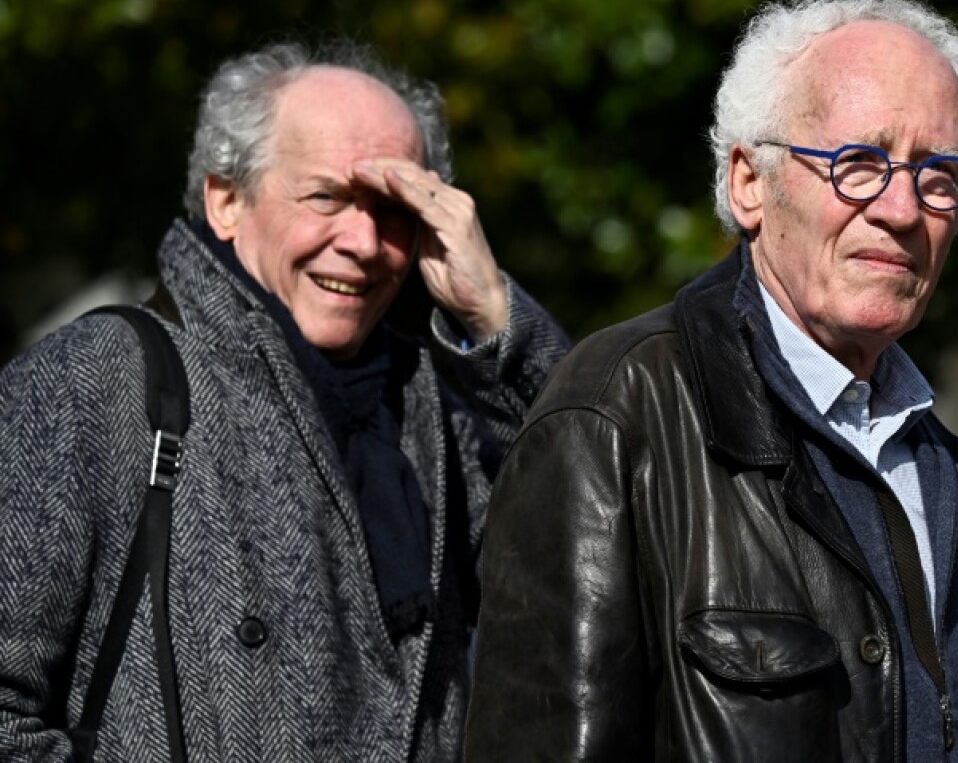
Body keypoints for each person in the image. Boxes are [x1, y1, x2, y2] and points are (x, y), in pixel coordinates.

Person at [466, 0, 958, 762]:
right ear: (749, 182)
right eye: (858, 163)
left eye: (940, 177)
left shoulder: (916, 438)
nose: (901, 208)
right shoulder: (616, 411)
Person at [0, 40, 569, 760]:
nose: (363, 241)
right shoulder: (94, 381)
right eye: (326, 196)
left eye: (394, 210)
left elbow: (595, 554)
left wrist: (495, 318)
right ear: (227, 200)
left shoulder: (441, 411)